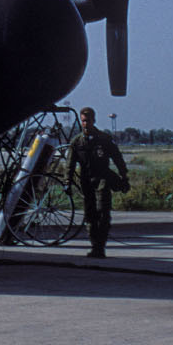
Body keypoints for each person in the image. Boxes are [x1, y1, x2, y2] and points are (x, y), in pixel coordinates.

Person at [67, 107, 129, 258]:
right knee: (90, 214)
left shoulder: (104, 139)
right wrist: (67, 182)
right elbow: (70, 164)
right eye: (83, 121)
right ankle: (95, 245)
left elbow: (118, 158)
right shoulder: (77, 142)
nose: (85, 124)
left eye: (88, 121)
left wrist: (124, 177)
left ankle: (100, 246)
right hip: (86, 181)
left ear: (93, 121)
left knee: (103, 213)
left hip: (102, 179)